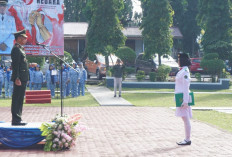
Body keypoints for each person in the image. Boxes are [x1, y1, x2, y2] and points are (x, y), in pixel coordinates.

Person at [11, 29, 29, 126]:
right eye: (24, 38)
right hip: (19, 78)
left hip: (23, 77)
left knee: (20, 98)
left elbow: (22, 64)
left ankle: (18, 118)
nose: (25, 40)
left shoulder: (20, 48)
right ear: (19, 38)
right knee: (17, 98)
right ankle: (15, 119)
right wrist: (17, 78)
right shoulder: (16, 49)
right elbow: (15, 65)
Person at [175, 53, 192, 145]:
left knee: (185, 118)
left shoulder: (185, 71)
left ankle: (187, 139)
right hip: (180, 97)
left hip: (183, 98)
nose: (178, 61)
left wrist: (185, 101)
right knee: (184, 118)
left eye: (179, 59)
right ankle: (187, 139)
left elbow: (186, 87)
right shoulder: (183, 70)